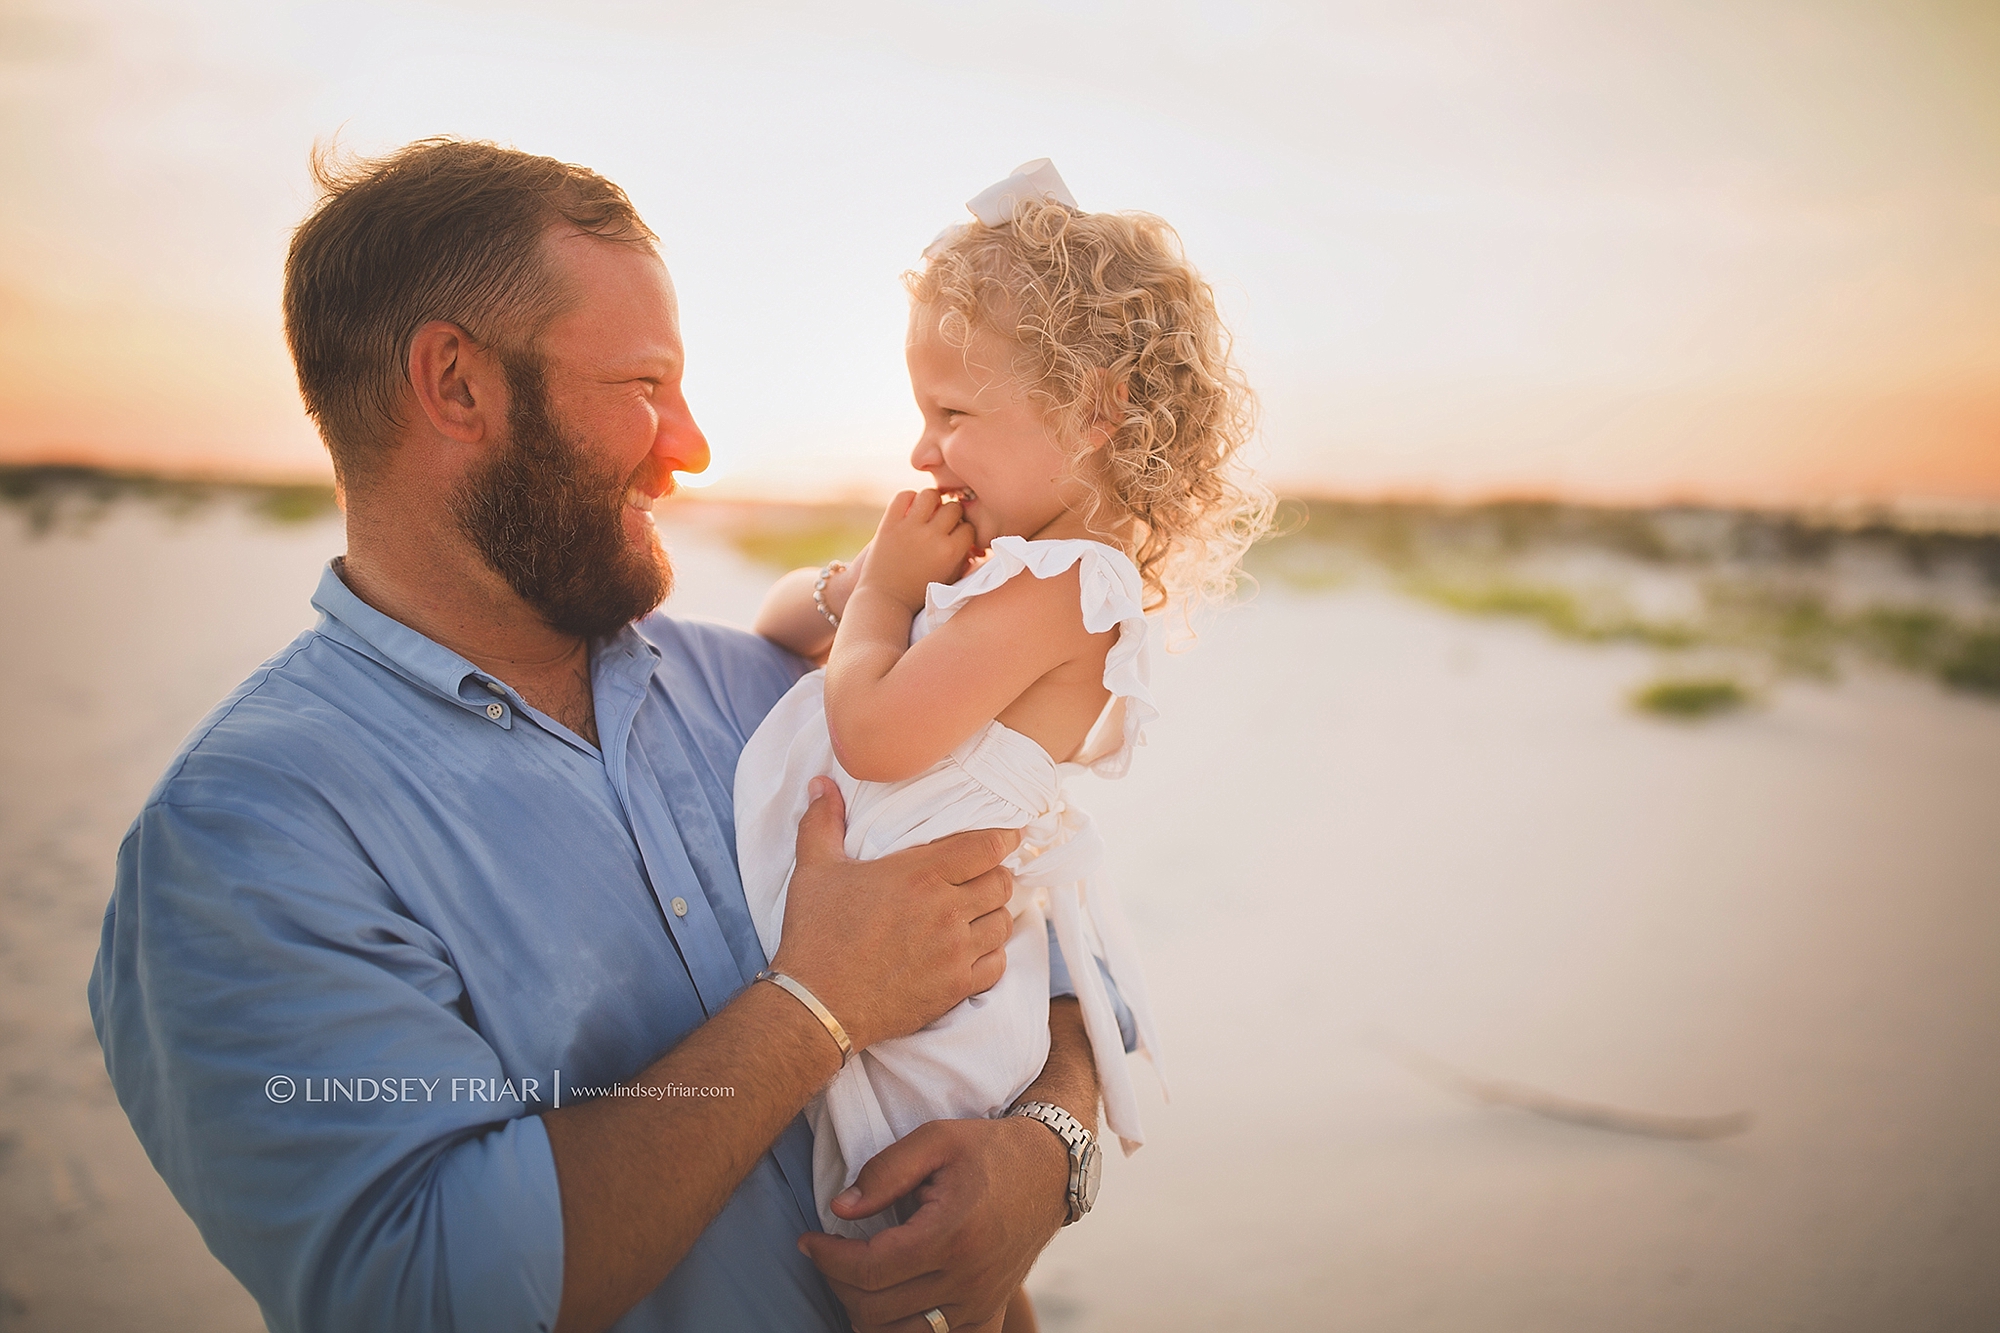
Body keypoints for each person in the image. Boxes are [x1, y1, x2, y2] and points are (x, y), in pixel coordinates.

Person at [86, 139, 1109, 1333]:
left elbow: (1064, 955)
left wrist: (1048, 1151)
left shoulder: (772, 694)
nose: (690, 445)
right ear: (456, 385)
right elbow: (427, 1286)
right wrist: (811, 1010)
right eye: (642, 388)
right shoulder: (245, 837)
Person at [737, 162, 1270, 1266]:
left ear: (1092, 412)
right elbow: (782, 620)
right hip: (892, 929)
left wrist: (884, 594)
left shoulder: (1063, 587)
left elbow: (871, 731)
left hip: (924, 971)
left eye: (951, 413)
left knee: (866, 1225)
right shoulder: (1013, 574)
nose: (922, 450)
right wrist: (863, 585)